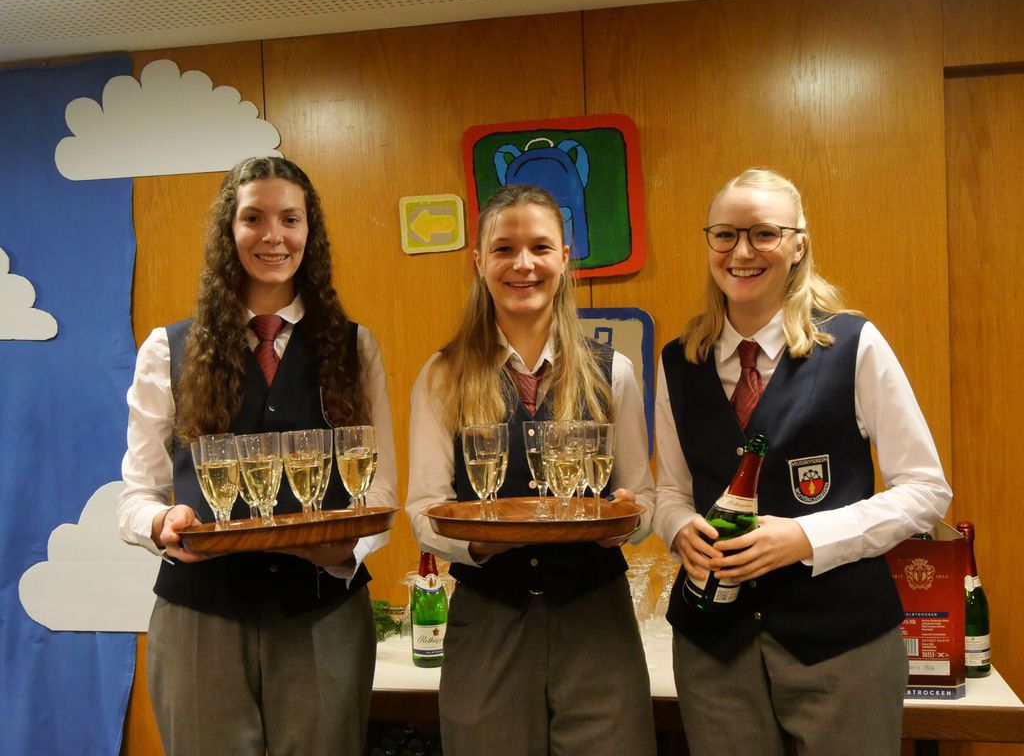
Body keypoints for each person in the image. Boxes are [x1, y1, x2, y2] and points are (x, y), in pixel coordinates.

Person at [653, 167, 952, 756]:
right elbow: (671, 494)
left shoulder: (854, 344)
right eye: (725, 235)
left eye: (764, 233)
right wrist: (679, 527)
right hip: (714, 649)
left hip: (842, 646)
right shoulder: (678, 360)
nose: (742, 252)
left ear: (798, 245)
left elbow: (925, 490)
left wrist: (806, 538)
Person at [117, 156, 397, 756]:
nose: (273, 236)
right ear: (230, 230)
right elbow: (137, 494)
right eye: (253, 218)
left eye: (290, 219)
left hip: (323, 612)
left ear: (309, 231)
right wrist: (161, 523)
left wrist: (345, 550)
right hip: (200, 616)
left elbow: (380, 493)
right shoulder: (166, 349)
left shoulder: (355, 346)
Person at [405, 184, 657, 755]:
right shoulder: (443, 375)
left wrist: (625, 520)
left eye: (540, 247)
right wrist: (482, 543)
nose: (523, 264)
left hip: (597, 620)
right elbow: (423, 510)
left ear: (564, 259)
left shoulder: (612, 370)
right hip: (489, 620)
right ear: (479, 262)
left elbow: (642, 499)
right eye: (504, 249)